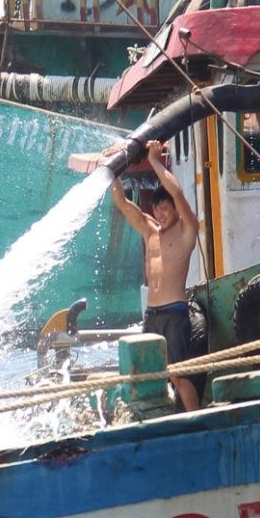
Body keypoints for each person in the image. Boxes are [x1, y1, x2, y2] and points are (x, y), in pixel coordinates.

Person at [106, 139, 205, 411]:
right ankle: (161, 419)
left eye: (165, 209)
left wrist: (154, 160)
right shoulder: (150, 231)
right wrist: (112, 169)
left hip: (174, 313)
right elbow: (122, 202)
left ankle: (195, 421)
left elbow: (178, 192)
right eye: (156, 208)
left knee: (178, 374)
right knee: (152, 373)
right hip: (151, 314)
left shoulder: (187, 231)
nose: (159, 214)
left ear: (175, 210)